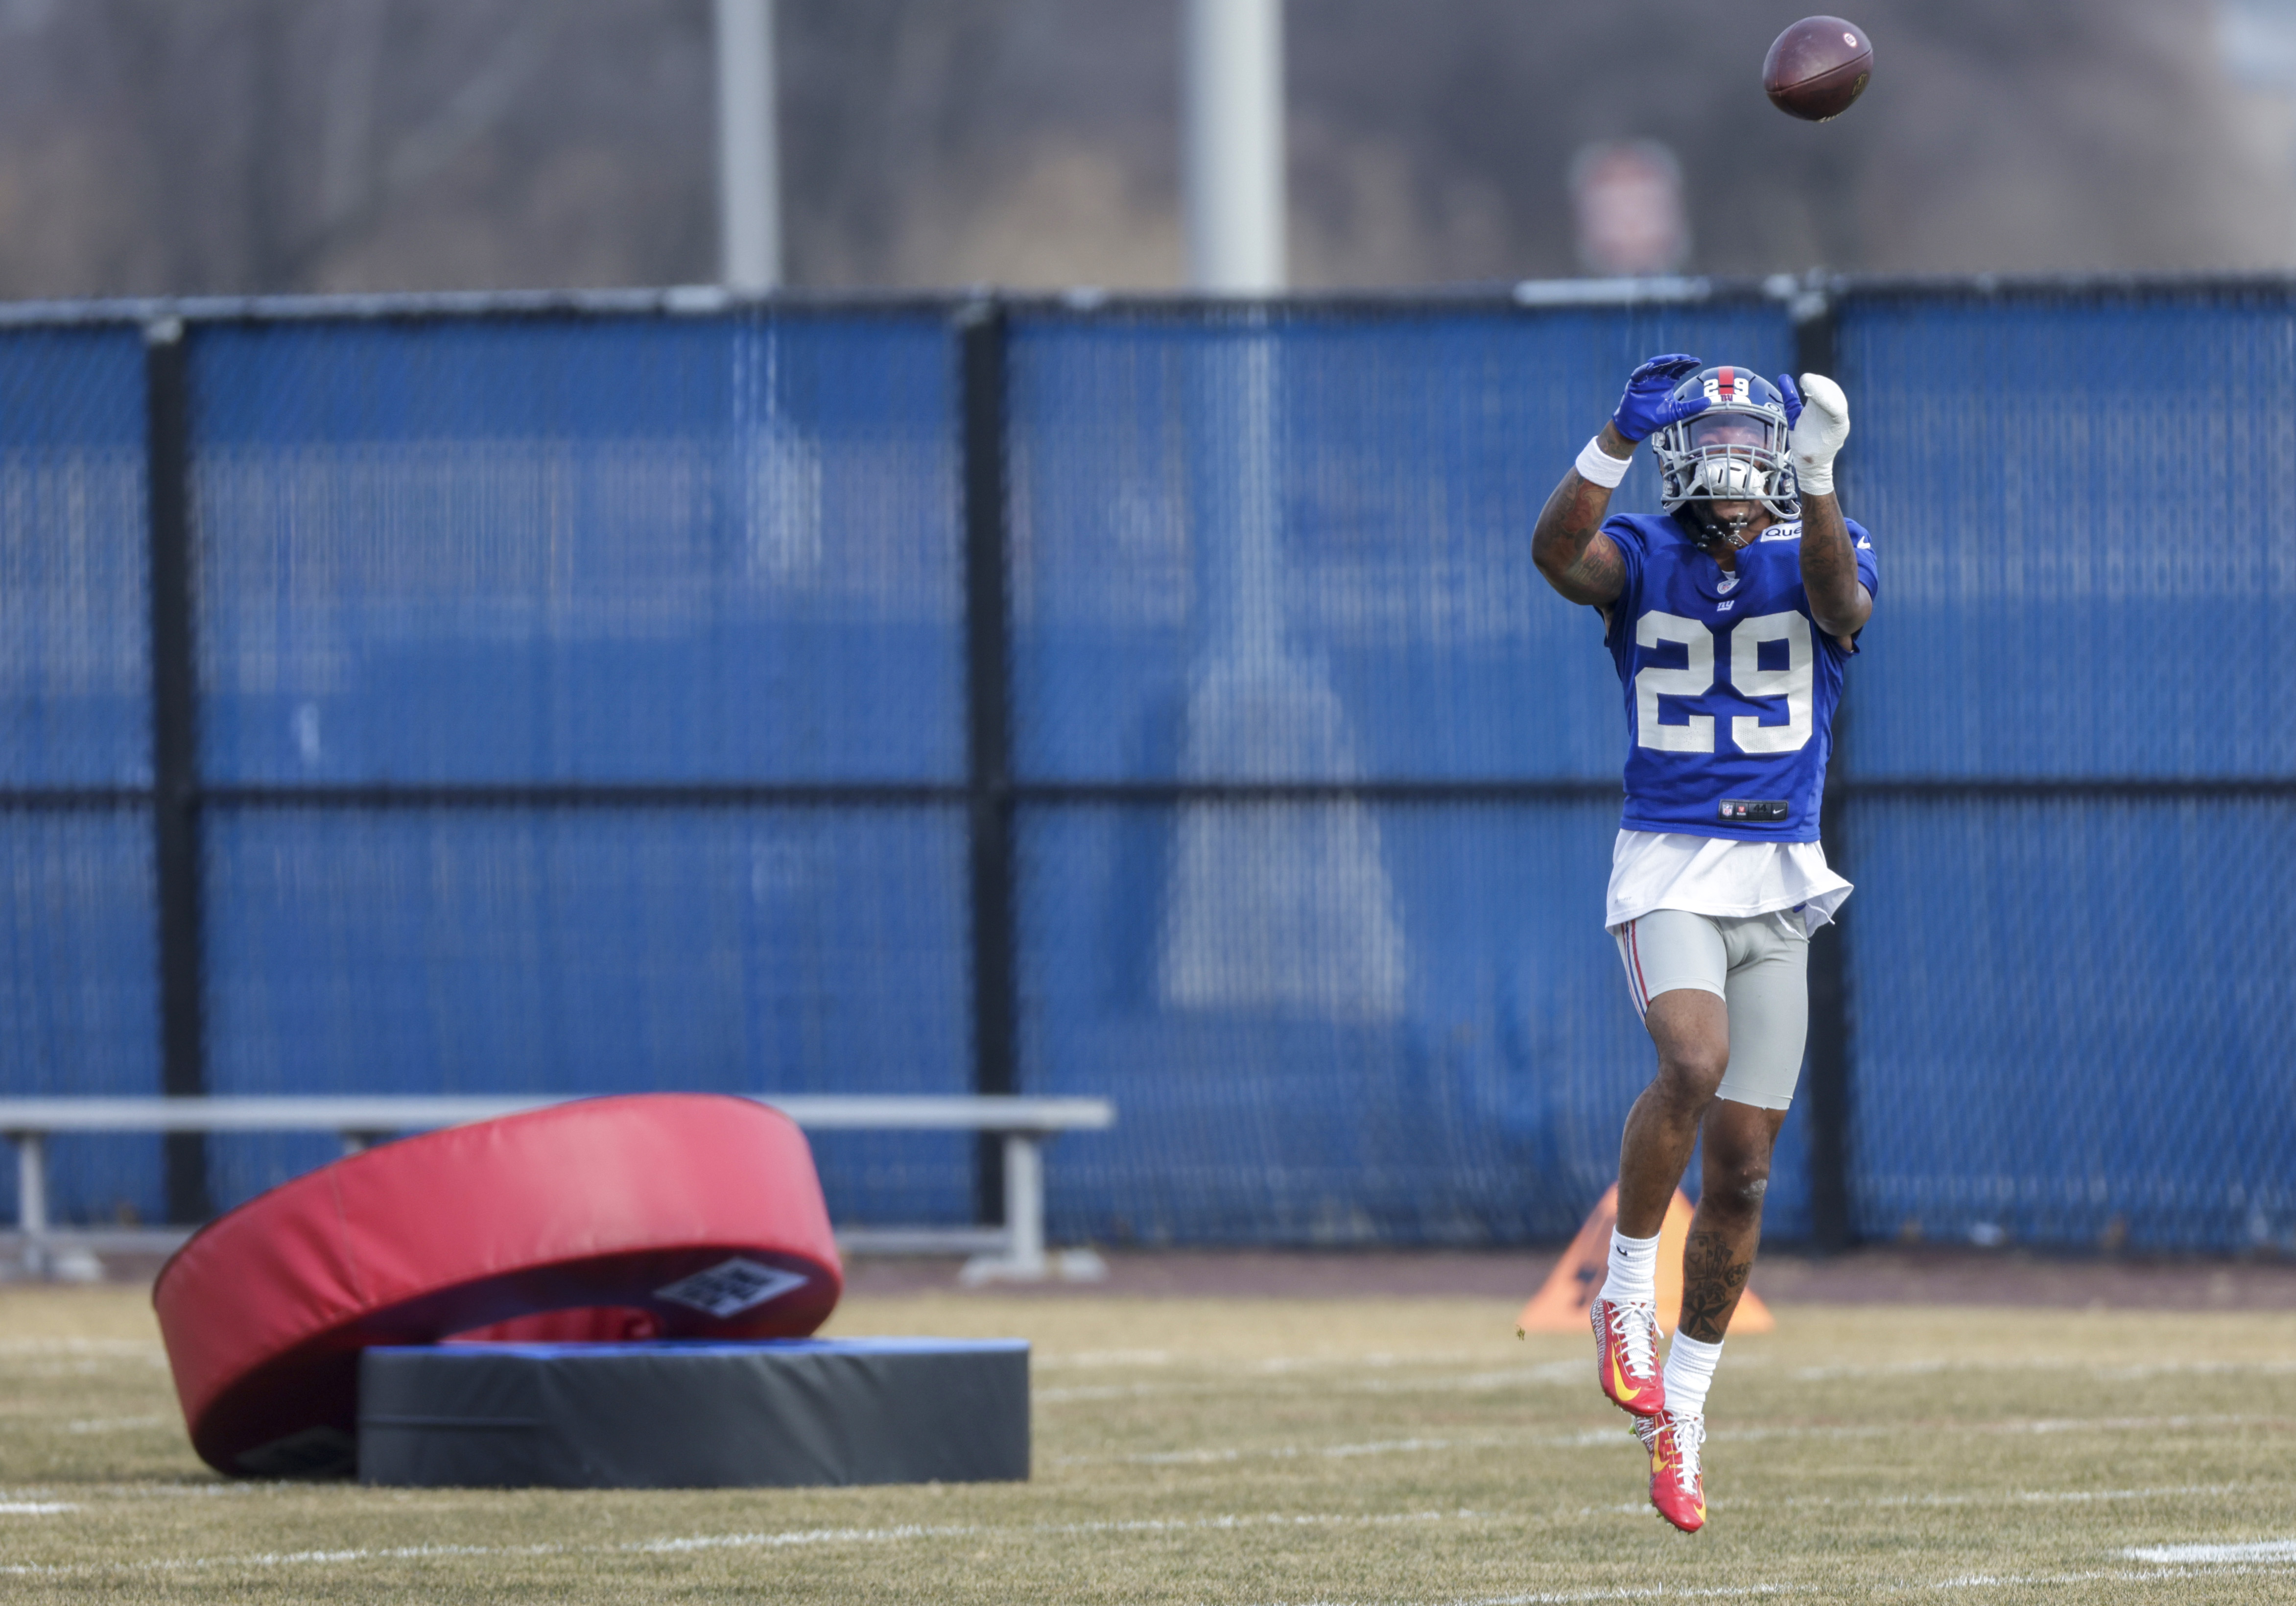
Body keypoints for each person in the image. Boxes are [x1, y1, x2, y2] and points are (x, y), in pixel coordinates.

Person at [1528, 355, 1875, 1533]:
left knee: (1742, 1170)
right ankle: (1625, 1290)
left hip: (1777, 869)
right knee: (1690, 1059)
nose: (1729, 463)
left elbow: (1840, 608)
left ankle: (1680, 1414)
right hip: (1671, 856)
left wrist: (1819, 478)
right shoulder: (1638, 547)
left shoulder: (1823, 534)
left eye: (1753, 439)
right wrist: (1610, 438)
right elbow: (1554, 559)